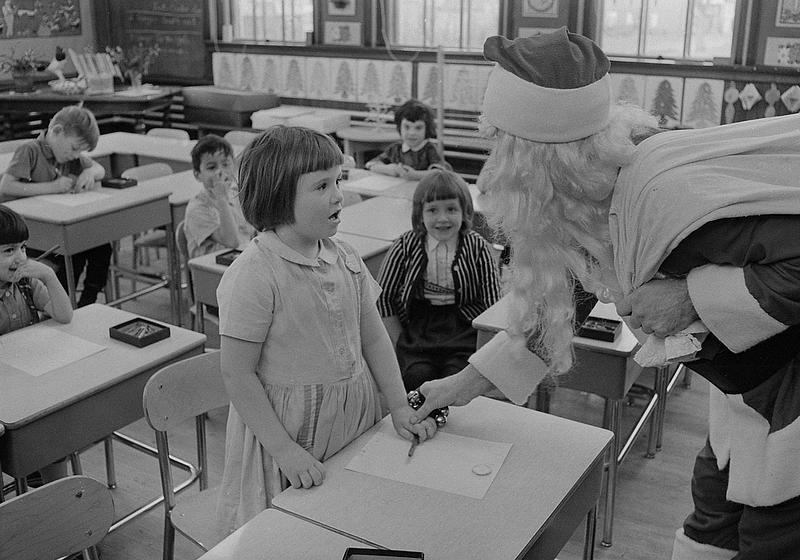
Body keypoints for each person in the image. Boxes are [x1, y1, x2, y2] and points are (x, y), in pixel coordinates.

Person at [409, 28, 800, 560]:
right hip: (744, 398)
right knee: (710, 530)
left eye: (502, 144)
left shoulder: (664, 195)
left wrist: (690, 297)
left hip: (789, 403)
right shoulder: (591, 195)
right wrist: (457, 386)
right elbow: (551, 320)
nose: (493, 164)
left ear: (538, 159)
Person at [215, 125, 437, 535]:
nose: (338, 194)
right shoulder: (254, 275)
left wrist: (399, 405)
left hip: (354, 414)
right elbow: (237, 374)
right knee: (292, 533)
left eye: (337, 180)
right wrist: (284, 450)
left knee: (348, 518)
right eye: (321, 185)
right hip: (289, 433)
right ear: (279, 197)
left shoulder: (347, 258)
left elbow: (373, 339)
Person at [376, 169, 501, 391]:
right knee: (416, 375)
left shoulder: (478, 247)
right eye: (432, 210)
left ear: (465, 211)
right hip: (419, 328)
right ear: (419, 214)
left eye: (451, 209)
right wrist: (399, 343)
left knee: (456, 379)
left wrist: (486, 354)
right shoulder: (405, 245)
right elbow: (382, 298)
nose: (442, 218)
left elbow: (493, 304)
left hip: (463, 326)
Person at [0, 105, 111, 307]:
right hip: (30, 236)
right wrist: (53, 187)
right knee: (74, 250)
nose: (76, 155)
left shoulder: (69, 157)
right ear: (57, 131)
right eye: (75, 148)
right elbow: (7, 185)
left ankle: (88, 301)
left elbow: (99, 169)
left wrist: (89, 173)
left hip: (59, 231)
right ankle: (64, 303)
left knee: (100, 244)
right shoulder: (30, 150)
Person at [0, 204, 73, 483]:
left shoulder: (27, 285)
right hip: (5, 393)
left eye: (23, 248)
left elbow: (65, 315)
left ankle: (52, 487)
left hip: (31, 383)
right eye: (9, 251)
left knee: (52, 423)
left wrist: (48, 274)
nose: (20, 257)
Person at [184, 134, 254, 259]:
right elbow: (232, 242)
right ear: (197, 174)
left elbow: (254, 232)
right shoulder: (197, 208)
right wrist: (221, 198)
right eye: (211, 167)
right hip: (211, 271)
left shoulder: (237, 195)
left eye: (226, 164)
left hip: (243, 259)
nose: (220, 172)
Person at [364, 99, 449, 180]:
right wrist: (387, 169)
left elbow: (440, 173)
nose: (412, 133)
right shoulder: (395, 148)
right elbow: (371, 164)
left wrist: (416, 175)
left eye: (418, 128)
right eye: (406, 127)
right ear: (399, 127)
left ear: (427, 129)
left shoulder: (430, 149)